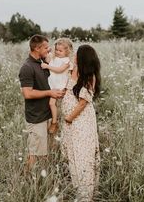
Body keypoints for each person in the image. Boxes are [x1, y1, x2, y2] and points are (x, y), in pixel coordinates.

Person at [61, 44, 101, 201]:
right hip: (70, 122)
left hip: (81, 121)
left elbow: (83, 103)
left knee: (83, 154)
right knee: (71, 152)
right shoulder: (73, 70)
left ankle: (85, 194)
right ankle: (75, 188)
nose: (74, 55)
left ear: (83, 57)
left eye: (77, 54)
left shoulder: (90, 76)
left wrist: (69, 118)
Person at [19, 34, 65, 169]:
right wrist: (50, 93)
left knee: (46, 153)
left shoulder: (42, 62)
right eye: (45, 47)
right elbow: (27, 93)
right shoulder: (27, 67)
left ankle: (43, 180)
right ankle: (27, 180)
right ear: (37, 48)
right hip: (37, 117)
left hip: (48, 114)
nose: (49, 49)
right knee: (34, 154)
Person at [41, 38, 73, 134]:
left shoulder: (67, 61)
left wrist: (47, 66)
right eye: (57, 50)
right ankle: (55, 120)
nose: (58, 52)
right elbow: (46, 57)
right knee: (52, 104)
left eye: (61, 50)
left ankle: (54, 122)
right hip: (52, 84)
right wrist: (49, 51)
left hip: (59, 85)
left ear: (67, 51)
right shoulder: (54, 58)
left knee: (52, 103)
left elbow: (59, 70)